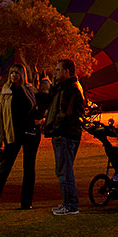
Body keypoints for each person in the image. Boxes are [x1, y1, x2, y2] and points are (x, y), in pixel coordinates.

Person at [0, 66, 39, 210]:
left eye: (17, 73)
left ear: (22, 75)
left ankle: (26, 202)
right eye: (12, 73)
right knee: (4, 169)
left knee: (29, 169)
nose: (14, 75)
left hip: (31, 132)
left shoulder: (30, 90)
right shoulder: (5, 93)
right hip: (13, 134)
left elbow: (38, 106)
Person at [42, 58, 85, 215]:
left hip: (65, 135)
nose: (56, 72)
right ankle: (68, 203)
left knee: (64, 171)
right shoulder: (63, 88)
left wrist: (56, 130)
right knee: (63, 170)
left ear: (68, 71)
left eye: (58, 69)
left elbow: (65, 114)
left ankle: (71, 205)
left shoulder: (70, 89)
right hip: (65, 134)